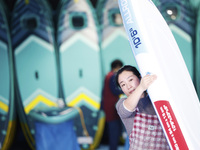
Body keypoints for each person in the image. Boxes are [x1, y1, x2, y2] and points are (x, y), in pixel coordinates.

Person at [115, 65, 170, 150]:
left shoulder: (157, 100)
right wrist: (141, 87)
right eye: (123, 85)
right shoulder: (122, 103)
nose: (128, 86)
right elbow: (126, 109)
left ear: (140, 77)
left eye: (130, 80)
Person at [102, 59, 124, 150]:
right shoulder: (112, 76)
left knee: (113, 130)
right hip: (112, 107)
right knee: (114, 131)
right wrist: (127, 89)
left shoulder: (108, 75)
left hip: (108, 106)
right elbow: (114, 91)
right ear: (117, 67)